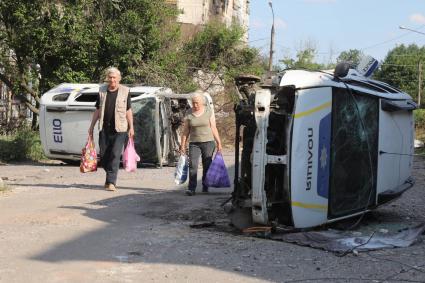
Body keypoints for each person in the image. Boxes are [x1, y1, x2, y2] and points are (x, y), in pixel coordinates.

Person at [88, 67, 134, 191]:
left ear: (119, 79)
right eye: (110, 77)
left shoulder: (125, 91)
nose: (112, 80)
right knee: (103, 156)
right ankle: (109, 177)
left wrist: (131, 127)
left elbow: (128, 110)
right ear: (107, 78)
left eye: (114, 77)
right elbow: (97, 110)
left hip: (120, 130)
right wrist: (91, 126)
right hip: (105, 129)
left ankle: (111, 182)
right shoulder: (102, 91)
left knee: (115, 154)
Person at [179, 93, 222, 196]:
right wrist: (183, 145)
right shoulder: (189, 113)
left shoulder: (208, 111)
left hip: (208, 142)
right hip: (194, 143)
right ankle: (191, 188)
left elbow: (213, 127)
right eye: (193, 103)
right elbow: (185, 131)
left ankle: (205, 186)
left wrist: (219, 143)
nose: (195, 105)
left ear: (202, 102)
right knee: (193, 165)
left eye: (197, 103)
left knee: (207, 165)